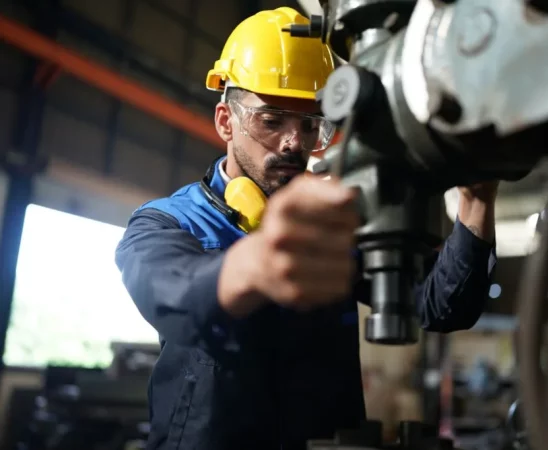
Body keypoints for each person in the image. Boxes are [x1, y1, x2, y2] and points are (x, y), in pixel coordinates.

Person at [116, 7, 498, 450]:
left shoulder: (337, 227)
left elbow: (442, 305)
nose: (293, 142)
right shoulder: (166, 220)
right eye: (272, 120)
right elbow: (170, 294)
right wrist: (255, 266)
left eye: (310, 124)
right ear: (226, 121)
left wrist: (476, 202)